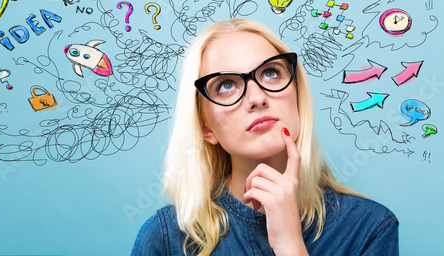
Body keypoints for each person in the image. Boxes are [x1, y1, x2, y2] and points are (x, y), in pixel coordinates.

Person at [131, 18, 399, 256]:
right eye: (226, 85)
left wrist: (290, 244)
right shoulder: (165, 240)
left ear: (296, 92)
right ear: (205, 127)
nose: (257, 98)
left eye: (270, 73)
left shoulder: (370, 228)